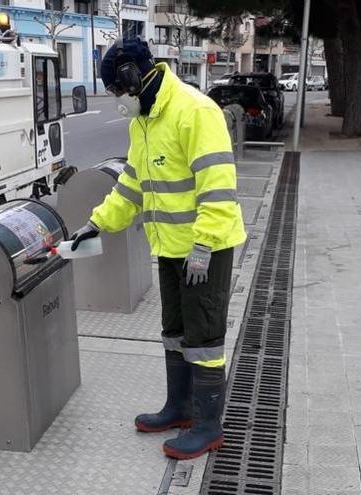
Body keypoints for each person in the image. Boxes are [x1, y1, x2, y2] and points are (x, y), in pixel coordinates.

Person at [70, 37, 246, 460]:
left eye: (116, 90)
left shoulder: (195, 111)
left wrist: (203, 245)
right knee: (174, 332)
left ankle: (207, 426)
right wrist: (96, 224)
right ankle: (180, 407)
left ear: (133, 77)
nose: (116, 99)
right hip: (170, 248)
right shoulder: (144, 121)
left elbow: (218, 187)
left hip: (206, 249)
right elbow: (131, 183)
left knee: (203, 338)